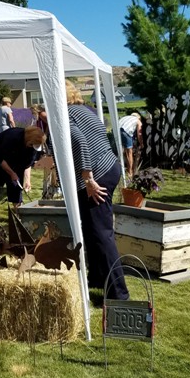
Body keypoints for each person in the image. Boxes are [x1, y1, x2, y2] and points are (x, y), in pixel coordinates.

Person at [46, 81, 129, 301]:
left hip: (96, 176)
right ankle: (97, 279)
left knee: (101, 234)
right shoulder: (85, 111)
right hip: (108, 167)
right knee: (93, 230)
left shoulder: (64, 115)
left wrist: (88, 179)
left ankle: (119, 295)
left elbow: (79, 141)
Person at [0, 126, 46, 218]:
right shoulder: (12, 137)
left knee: (16, 186)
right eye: (32, 144)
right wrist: (11, 173)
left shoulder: (34, 146)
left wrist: (27, 180)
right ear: (28, 139)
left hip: (14, 160)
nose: (33, 147)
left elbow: (27, 164)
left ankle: (19, 216)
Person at [118, 112, 144, 178]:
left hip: (116, 130)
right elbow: (139, 134)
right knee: (129, 153)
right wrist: (141, 144)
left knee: (118, 151)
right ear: (139, 118)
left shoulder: (125, 117)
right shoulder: (138, 121)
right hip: (125, 131)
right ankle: (130, 172)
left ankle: (118, 169)